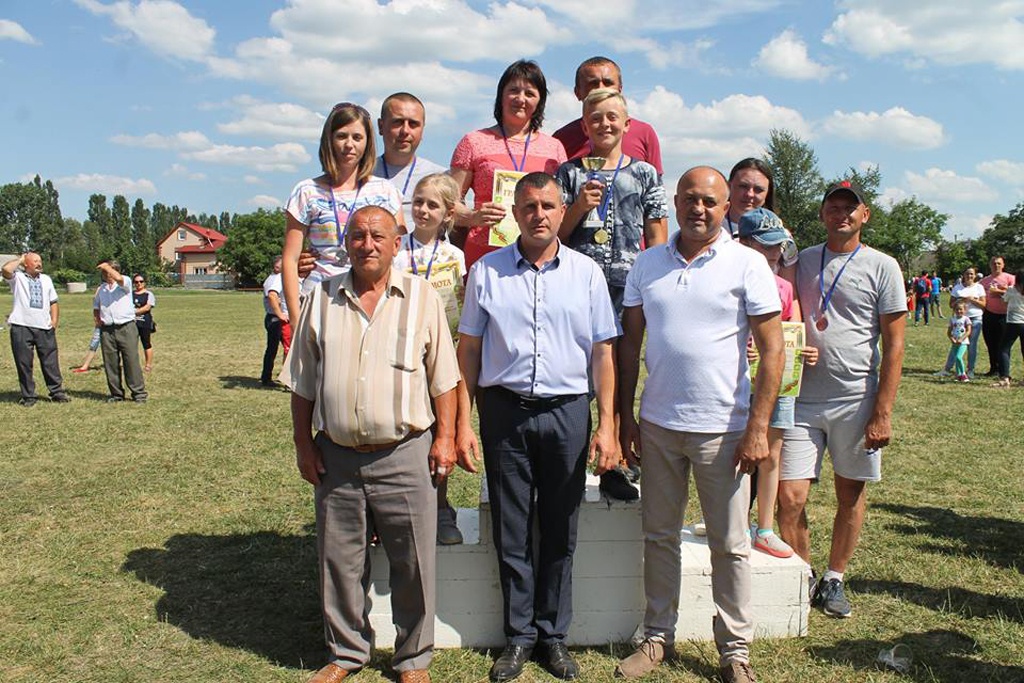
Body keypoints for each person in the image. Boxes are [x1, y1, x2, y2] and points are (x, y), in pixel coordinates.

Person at [614, 167, 784, 683]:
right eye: (690, 199)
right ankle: (656, 637)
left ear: (726, 207)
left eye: (710, 201)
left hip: (725, 429)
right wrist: (624, 416)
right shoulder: (647, 263)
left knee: (729, 545)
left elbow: (773, 351)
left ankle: (734, 651)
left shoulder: (747, 264)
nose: (699, 209)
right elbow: (629, 346)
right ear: (675, 202)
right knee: (659, 536)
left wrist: (758, 427)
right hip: (659, 425)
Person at [282, 205, 460, 683]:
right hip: (336, 456)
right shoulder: (321, 297)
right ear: (346, 244)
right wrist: (303, 445)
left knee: (414, 563)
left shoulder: (421, 297)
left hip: (406, 452)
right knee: (339, 562)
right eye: (358, 236)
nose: (367, 244)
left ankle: (413, 659)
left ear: (396, 243)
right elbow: (302, 381)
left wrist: (445, 438)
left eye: (378, 236)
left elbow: (444, 378)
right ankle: (346, 652)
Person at [456, 172, 619, 682]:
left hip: (567, 411)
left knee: (559, 527)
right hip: (505, 413)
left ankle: (553, 635)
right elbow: (469, 351)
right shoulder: (486, 272)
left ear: (562, 209)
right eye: (529, 206)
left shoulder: (587, 273)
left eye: (548, 205)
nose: (539, 215)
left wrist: (608, 424)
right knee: (511, 527)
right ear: (515, 213)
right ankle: (519, 636)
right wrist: (462, 421)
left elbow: (603, 352)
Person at [777, 180, 906, 619]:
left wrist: (882, 412)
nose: (841, 215)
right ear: (822, 215)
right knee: (789, 496)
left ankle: (835, 577)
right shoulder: (802, 260)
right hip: (801, 399)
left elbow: (895, 345)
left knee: (849, 493)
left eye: (850, 209)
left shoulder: (883, 266)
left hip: (855, 399)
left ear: (864, 215)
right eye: (833, 207)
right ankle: (803, 574)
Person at [555, 87, 668, 501]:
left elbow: (657, 233)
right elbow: (554, 234)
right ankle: (570, 458)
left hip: (627, 286)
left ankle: (616, 461)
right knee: (576, 375)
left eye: (612, 117)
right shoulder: (569, 174)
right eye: (595, 118)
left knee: (621, 371)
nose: (604, 124)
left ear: (626, 124)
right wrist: (578, 207)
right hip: (578, 287)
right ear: (584, 126)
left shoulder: (644, 174)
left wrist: (657, 284)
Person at [737, 208, 819, 558]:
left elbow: (791, 331)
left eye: (778, 246)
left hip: (780, 385)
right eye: (766, 245)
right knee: (737, 455)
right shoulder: (730, 281)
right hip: (738, 384)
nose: (774, 253)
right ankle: (736, 522)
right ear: (744, 243)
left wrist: (803, 352)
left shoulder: (784, 287)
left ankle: (765, 527)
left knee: (772, 454)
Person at [395, 172, 467, 545]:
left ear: (449, 213)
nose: (423, 210)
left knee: (442, 431)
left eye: (432, 205)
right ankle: (395, 512)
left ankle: (440, 509)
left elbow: (461, 302)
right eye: (418, 202)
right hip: (401, 356)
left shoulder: (455, 256)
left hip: (442, 359)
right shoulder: (396, 250)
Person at [282, 102, 403, 320]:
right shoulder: (307, 191)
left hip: (372, 301)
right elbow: (290, 260)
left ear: (367, 142)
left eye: (357, 137)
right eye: (341, 136)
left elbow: (397, 253)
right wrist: (295, 318)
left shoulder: (385, 191)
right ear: (329, 140)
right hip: (319, 299)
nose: (349, 144)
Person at [450, 59, 567, 270]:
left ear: (540, 101)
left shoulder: (555, 148)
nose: (521, 99)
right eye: (514, 90)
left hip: (539, 257)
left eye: (529, 93)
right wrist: (472, 217)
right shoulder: (473, 142)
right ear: (501, 95)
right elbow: (447, 203)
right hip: (484, 255)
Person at [552, 56, 663, 179]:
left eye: (608, 83)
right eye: (593, 84)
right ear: (577, 92)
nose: (601, 88)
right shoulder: (561, 139)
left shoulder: (644, 132)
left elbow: (654, 183)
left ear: (620, 89)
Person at [2, 252, 71, 406]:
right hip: (21, 326)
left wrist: (54, 321)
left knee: (50, 362)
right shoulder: (18, 278)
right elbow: (6, 270)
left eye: (40, 261)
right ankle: (29, 396)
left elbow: (53, 301)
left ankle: (57, 392)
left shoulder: (46, 279)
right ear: (26, 264)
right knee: (24, 363)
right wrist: (20, 259)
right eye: (35, 261)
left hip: (44, 327)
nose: (39, 263)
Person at [373, 92, 447, 229]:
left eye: (413, 124)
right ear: (381, 126)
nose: (405, 131)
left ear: (422, 129)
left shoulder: (441, 177)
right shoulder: (360, 175)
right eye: (397, 122)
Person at [95, 260, 148, 404]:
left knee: (131, 361)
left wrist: (107, 266)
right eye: (104, 272)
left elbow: (118, 278)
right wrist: (97, 320)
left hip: (126, 327)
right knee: (110, 363)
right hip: (107, 329)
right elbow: (96, 306)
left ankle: (139, 394)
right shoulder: (102, 289)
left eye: (108, 271)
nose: (106, 274)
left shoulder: (125, 282)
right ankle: (116, 394)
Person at [935, 266, 984, 378]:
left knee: (972, 344)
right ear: (963, 275)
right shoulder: (957, 287)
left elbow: (983, 304)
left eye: (971, 274)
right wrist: (961, 300)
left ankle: (970, 370)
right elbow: (951, 304)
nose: (969, 276)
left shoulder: (979, 287)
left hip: (975, 319)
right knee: (956, 343)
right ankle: (947, 369)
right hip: (959, 320)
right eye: (967, 274)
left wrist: (972, 300)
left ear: (975, 275)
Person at [980, 256, 1015, 377]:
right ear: (990, 265)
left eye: (999, 263)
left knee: (1003, 344)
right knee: (990, 342)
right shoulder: (984, 281)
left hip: (1005, 315)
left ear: (1003, 265)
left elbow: (1016, 293)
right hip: (989, 314)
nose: (996, 265)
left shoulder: (1010, 278)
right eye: (994, 263)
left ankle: (1003, 370)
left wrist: (998, 292)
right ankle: (993, 368)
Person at [261, 256, 290, 388]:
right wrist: (280, 314)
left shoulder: (273, 278)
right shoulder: (277, 279)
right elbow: (272, 297)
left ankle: (268, 377)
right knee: (285, 349)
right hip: (276, 319)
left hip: (273, 317)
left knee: (275, 349)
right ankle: (271, 378)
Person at [992, 271, 1024, 388]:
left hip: (1013, 322)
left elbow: (1004, 301)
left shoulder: (1011, 289)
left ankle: (1005, 378)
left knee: (1004, 349)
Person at [132, 274, 156, 372]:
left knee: (146, 343)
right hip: (132, 323)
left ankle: (148, 365)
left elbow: (147, 307)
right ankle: (132, 365)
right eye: (136, 282)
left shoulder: (148, 294)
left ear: (144, 283)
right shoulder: (130, 294)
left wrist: (133, 312)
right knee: (131, 345)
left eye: (141, 281)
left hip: (144, 323)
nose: (139, 283)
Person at [946, 300, 972, 383]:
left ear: (965, 310)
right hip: (955, 342)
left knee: (958, 357)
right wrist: (952, 339)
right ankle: (958, 375)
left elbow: (968, 331)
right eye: (957, 309)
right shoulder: (952, 319)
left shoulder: (966, 319)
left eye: (961, 309)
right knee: (956, 359)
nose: (959, 311)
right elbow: (949, 332)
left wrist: (962, 339)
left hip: (963, 342)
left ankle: (963, 374)